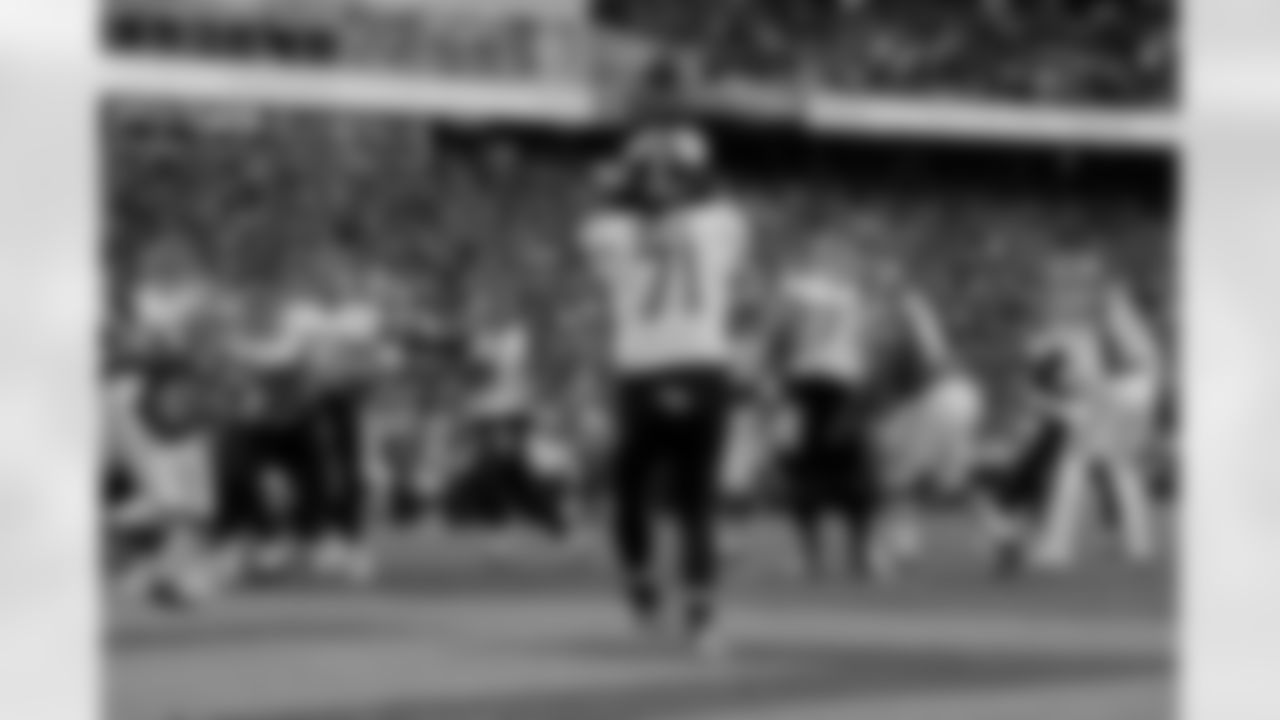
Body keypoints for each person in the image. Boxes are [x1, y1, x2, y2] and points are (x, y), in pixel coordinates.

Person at [580, 120, 752, 654]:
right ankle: (702, 618)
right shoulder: (723, 221)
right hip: (704, 366)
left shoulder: (605, 230)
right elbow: (710, 199)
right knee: (698, 501)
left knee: (630, 494)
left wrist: (629, 174)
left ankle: (642, 594)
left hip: (643, 370)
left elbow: (614, 207)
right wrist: (679, 160)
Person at [1006, 248, 1164, 571]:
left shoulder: (1080, 315)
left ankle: (1056, 550)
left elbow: (1087, 375)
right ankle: (1139, 544)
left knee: (1072, 465)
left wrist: (1072, 397)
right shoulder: (1109, 299)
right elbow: (1139, 357)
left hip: (1118, 389)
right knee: (1120, 465)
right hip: (1141, 387)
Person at [771, 240, 885, 580]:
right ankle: (859, 555)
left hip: (807, 383)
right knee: (856, 472)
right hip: (844, 384)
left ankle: (811, 557)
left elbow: (780, 333)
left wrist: (776, 377)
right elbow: (868, 342)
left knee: (806, 473)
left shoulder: (796, 289)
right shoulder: (854, 294)